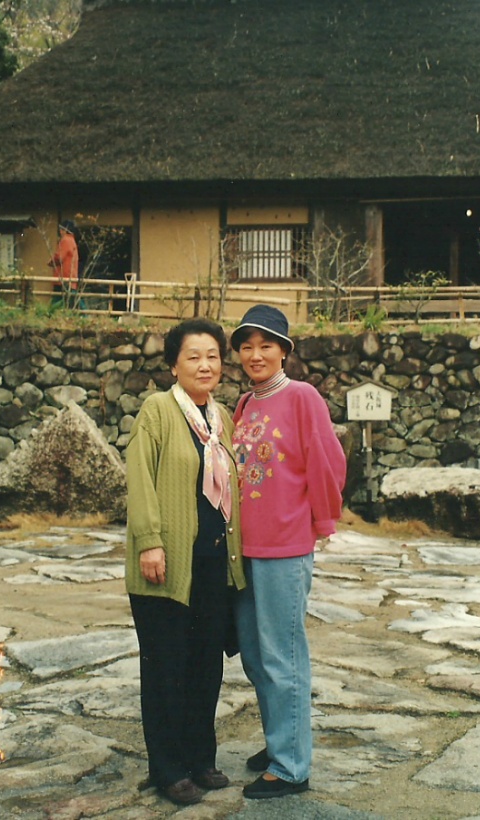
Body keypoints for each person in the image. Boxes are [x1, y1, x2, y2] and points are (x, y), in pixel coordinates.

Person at [125, 318, 245, 807]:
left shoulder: (222, 419)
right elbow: (140, 479)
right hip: (167, 565)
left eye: (213, 355)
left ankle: (200, 758)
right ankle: (168, 768)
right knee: (166, 668)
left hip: (213, 565)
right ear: (174, 364)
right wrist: (149, 542)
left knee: (205, 665)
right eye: (193, 356)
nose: (205, 364)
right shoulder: (157, 411)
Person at [230, 304, 346, 800]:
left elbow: (327, 460)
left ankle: (292, 766)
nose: (255, 355)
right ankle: (282, 738)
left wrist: (323, 521)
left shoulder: (302, 397)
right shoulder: (243, 404)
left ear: (284, 351)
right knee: (256, 657)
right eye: (247, 346)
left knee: (284, 656)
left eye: (266, 345)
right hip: (244, 549)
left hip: (285, 546)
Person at [48, 219, 79, 307]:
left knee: (57, 301)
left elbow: (59, 257)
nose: (60, 232)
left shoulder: (65, 240)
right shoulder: (72, 241)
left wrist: (51, 262)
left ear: (65, 230)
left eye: (61, 230)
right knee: (71, 300)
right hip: (71, 277)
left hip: (63, 277)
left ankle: (50, 313)